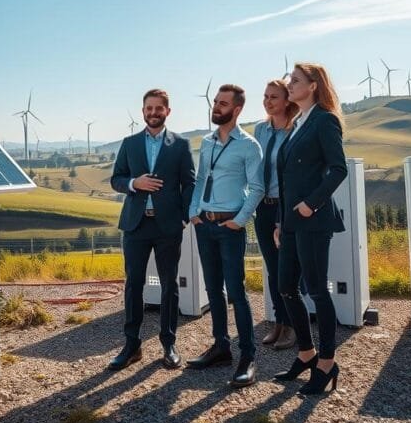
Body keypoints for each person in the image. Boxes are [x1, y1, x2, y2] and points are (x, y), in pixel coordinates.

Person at [273, 63, 348, 395]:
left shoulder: (324, 121)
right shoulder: (296, 124)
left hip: (313, 220)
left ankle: (327, 363)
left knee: (316, 290)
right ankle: (306, 353)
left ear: (314, 86)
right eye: (290, 80)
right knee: (286, 286)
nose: (290, 85)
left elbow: (338, 169)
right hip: (290, 222)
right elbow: (286, 180)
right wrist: (280, 221)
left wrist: (310, 204)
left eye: (296, 81)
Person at [109, 89, 196, 370]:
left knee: (170, 285)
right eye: (149, 108)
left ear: (167, 112)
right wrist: (135, 183)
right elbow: (117, 179)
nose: (153, 112)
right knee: (134, 284)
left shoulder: (180, 145)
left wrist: (183, 216)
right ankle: (131, 345)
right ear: (143, 111)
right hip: (135, 224)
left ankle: (168, 343)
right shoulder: (130, 143)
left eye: (159, 108)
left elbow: (190, 183)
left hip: (167, 225)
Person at [187, 84, 263, 388]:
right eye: (215, 102)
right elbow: (200, 178)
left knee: (236, 291)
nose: (216, 107)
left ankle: (248, 357)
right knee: (212, 289)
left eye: (222, 103)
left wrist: (240, 221)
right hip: (204, 225)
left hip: (230, 227)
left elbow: (257, 187)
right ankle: (220, 347)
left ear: (237, 109)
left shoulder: (248, 145)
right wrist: (194, 212)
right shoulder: (206, 143)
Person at [252, 79, 299, 350]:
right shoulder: (260, 130)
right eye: (265, 96)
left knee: (288, 268)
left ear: (287, 101)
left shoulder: (295, 130)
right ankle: (279, 322)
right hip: (263, 206)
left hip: (286, 204)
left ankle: (293, 325)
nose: (268, 101)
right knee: (272, 267)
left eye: (274, 97)